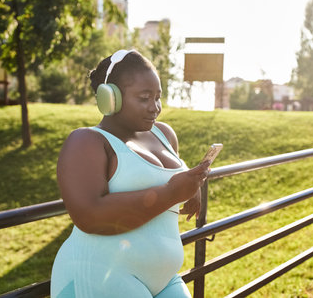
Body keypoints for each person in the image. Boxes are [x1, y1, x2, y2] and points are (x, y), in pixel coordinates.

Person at [50, 49, 211, 298]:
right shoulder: (86, 141)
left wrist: (191, 186)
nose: (154, 107)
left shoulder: (164, 134)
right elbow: (89, 215)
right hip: (99, 275)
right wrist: (172, 193)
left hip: (164, 279)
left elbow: (164, 178)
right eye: (144, 98)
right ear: (110, 98)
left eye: (158, 97)